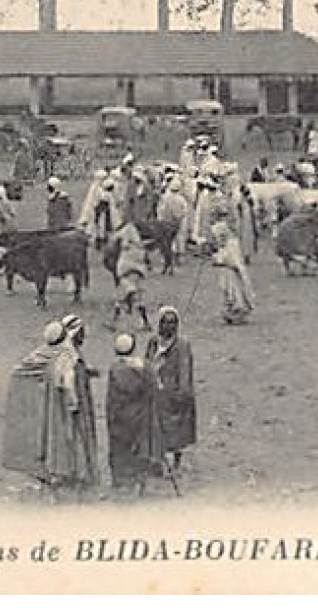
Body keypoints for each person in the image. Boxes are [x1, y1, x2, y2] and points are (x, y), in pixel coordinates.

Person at [2, 315, 99, 497]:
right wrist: (73, 402)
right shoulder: (67, 355)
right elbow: (67, 380)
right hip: (65, 405)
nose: (83, 337)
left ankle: (58, 469)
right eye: (81, 333)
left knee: (54, 435)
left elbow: (23, 369)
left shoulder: (45, 352)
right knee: (71, 436)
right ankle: (72, 472)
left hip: (51, 402)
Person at [106, 333, 163, 497]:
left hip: (119, 415)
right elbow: (155, 386)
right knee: (139, 445)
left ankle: (120, 479)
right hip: (140, 413)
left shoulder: (115, 368)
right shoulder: (143, 366)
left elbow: (113, 396)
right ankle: (139, 478)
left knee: (119, 446)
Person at [148, 307, 196, 471]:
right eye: (165, 323)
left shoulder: (182, 345)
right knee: (157, 427)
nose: (169, 327)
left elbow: (185, 370)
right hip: (156, 392)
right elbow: (147, 361)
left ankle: (176, 462)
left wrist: (182, 393)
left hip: (174, 392)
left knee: (176, 429)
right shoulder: (154, 342)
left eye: (173, 323)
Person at [110, 212, 151, 332]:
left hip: (128, 265)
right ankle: (144, 322)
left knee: (128, 293)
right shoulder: (134, 235)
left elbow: (115, 240)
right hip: (136, 266)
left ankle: (116, 321)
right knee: (135, 295)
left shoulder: (126, 231)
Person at [211, 221, 254, 325]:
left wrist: (220, 260)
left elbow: (233, 261)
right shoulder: (224, 245)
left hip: (233, 274)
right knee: (227, 292)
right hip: (226, 274)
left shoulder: (232, 244)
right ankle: (230, 312)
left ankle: (238, 312)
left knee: (236, 293)